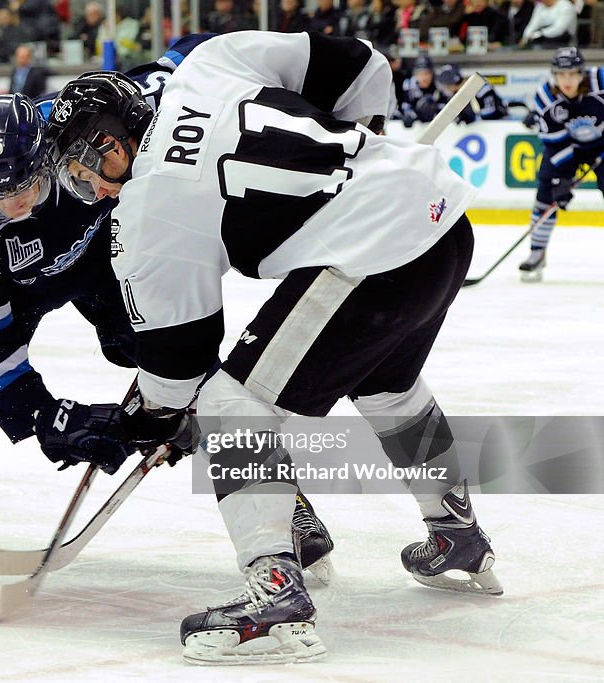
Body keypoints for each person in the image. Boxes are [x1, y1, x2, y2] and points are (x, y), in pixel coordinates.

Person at [44, 30, 501, 665]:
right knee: (388, 385)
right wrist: (354, 155)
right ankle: (456, 533)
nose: (92, 186)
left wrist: (152, 419)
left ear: (114, 138)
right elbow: (359, 62)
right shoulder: (204, 68)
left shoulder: (148, 208)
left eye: (88, 166)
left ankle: (276, 591)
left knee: (232, 407)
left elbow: (181, 360)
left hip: (374, 258)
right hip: (440, 217)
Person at [0, 39, 335, 579]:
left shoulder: (81, 125)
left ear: (48, 153)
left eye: (21, 189)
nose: (9, 208)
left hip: (104, 256)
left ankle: (287, 511)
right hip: (7, 294)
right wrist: (45, 416)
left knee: (186, 369)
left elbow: (179, 66)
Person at [519, 47, 604, 281]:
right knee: (547, 193)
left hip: (601, 144)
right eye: (561, 74)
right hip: (567, 147)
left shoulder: (601, 81)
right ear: (553, 75)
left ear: (582, 73)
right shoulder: (545, 98)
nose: (567, 80)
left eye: (572, 74)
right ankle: (537, 253)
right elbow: (555, 144)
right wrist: (563, 180)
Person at [435, 64, 509, 122]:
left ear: (453, 84)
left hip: (497, 127)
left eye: (446, 86)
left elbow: (491, 114)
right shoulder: (449, 95)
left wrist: (472, 116)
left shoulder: (480, 87)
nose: (444, 89)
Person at [397, 55, 438, 126]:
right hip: (416, 125)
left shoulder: (438, 86)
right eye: (420, 74)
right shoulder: (409, 86)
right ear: (415, 74)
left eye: (427, 73)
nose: (424, 78)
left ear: (432, 74)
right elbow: (405, 106)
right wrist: (410, 116)